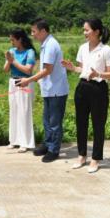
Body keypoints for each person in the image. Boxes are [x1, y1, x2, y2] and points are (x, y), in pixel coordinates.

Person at [61, 19, 110, 173]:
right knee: (81, 123)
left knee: (98, 125)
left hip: (99, 88)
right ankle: (81, 155)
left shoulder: (106, 50)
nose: (84, 33)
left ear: (97, 31)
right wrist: (72, 68)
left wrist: (98, 73)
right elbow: (82, 69)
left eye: (87, 30)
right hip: (82, 87)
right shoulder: (82, 48)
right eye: (83, 30)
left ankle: (96, 159)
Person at [18, 19, 69, 163]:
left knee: (54, 122)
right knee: (46, 119)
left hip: (56, 90)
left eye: (34, 31)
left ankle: (54, 150)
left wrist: (28, 80)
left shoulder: (51, 45)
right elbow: (44, 68)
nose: (32, 34)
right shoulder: (45, 44)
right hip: (49, 89)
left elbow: (48, 70)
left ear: (43, 31)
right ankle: (47, 144)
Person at [4, 28, 36, 153]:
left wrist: (13, 61)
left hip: (25, 82)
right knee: (14, 111)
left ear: (20, 39)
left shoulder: (30, 52)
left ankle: (25, 142)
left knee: (24, 112)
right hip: (13, 82)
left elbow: (28, 70)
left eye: (13, 40)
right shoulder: (12, 51)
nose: (11, 42)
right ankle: (14, 140)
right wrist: (8, 60)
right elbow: (6, 69)